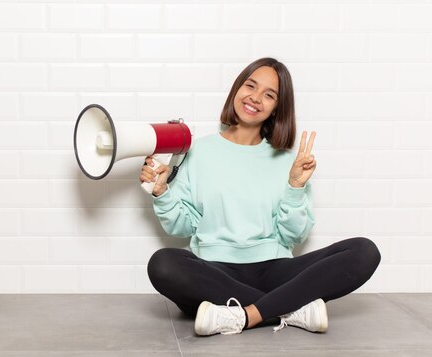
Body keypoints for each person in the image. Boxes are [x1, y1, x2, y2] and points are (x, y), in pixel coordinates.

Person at [140, 57, 381, 336]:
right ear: (236, 89)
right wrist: (162, 192)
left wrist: (295, 187)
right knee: (163, 264)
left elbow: (293, 236)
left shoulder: (288, 162)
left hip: (275, 270)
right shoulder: (197, 152)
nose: (255, 98)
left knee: (364, 251)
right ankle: (289, 308)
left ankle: (243, 315)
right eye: (250, 86)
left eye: (269, 95)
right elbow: (180, 228)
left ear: (277, 108)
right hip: (214, 271)